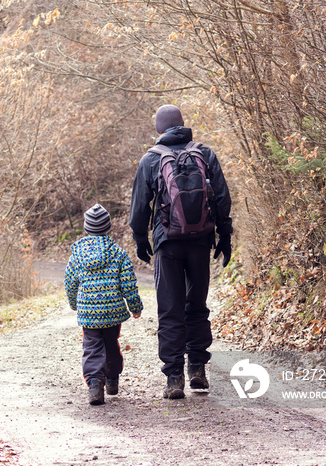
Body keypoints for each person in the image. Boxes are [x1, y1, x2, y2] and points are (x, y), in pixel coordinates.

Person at [129, 104, 232, 400]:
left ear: (159, 129)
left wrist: (141, 239)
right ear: (182, 125)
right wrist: (224, 236)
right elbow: (222, 198)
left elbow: (139, 207)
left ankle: (174, 378)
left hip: (167, 244)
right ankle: (197, 368)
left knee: (170, 309)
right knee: (196, 306)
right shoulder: (205, 153)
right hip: (201, 240)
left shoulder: (151, 159)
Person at [65, 204, 143, 405]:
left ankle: (94, 385)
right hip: (112, 311)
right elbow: (128, 284)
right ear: (108, 228)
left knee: (91, 347)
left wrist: (75, 304)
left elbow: (70, 283)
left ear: (86, 228)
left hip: (88, 313)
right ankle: (112, 379)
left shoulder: (77, 255)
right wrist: (135, 306)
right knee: (110, 343)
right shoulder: (118, 253)